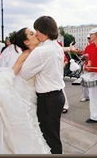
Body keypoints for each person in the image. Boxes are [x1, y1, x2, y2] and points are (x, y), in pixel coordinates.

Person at [19, 16, 65, 154]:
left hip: (48, 99)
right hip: (57, 96)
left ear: (41, 31)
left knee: (49, 137)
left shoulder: (41, 51)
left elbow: (24, 74)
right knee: (54, 133)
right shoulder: (56, 47)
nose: (36, 33)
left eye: (36, 30)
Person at [80, 34, 92, 102]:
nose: (89, 39)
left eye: (90, 38)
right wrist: (84, 55)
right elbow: (84, 55)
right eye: (88, 38)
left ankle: (91, 96)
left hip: (94, 68)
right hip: (87, 67)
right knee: (84, 82)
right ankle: (86, 96)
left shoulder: (96, 46)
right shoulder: (87, 46)